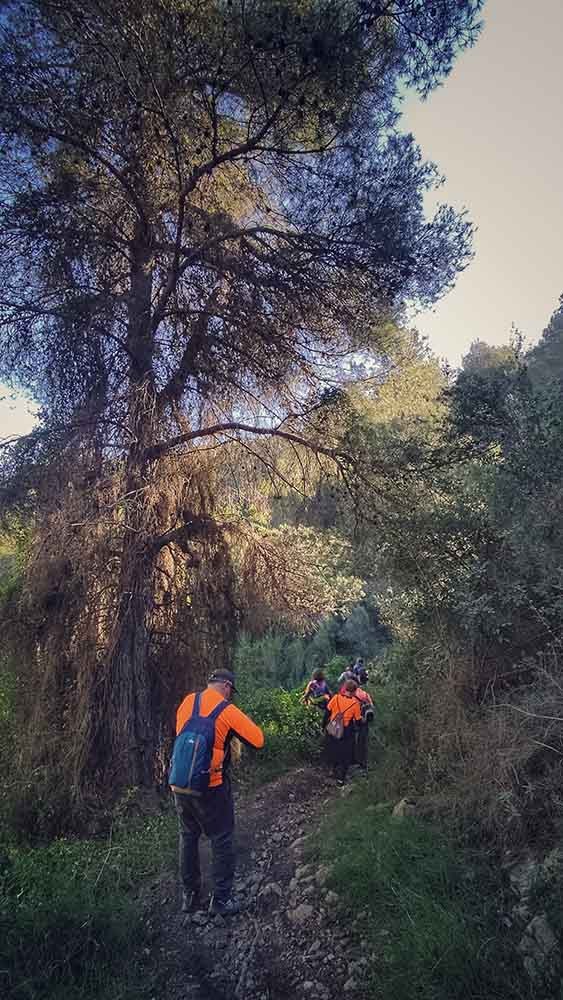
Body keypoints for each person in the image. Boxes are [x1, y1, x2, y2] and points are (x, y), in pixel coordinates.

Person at [170, 668, 264, 917]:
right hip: (210, 787)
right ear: (226, 686)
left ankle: (189, 897)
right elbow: (258, 740)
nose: (230, 696)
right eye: (231, 691)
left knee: (188, 836)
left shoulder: (188, 702)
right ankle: (221, 900)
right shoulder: (227, 710)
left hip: (179, 783)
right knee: (221, 838)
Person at [323, 678, 361, 784]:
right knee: (346, 754)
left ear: (345, 688)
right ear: (353, 691)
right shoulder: (355, 704)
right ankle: (341, 778)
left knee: (333, 749)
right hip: (346, 731)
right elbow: (358, 721)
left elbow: (327, 712)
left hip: (333, 727)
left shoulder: (336, 698)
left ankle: (333, 770)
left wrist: (324, 726)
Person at [353, 676, 374, 772]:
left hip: (357, 721)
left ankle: (360, 764)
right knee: (364, 742)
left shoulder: (352, 695)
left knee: (357, 742)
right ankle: (364, 764)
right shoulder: (365, 694)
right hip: (366, 721)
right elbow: (372, 706)